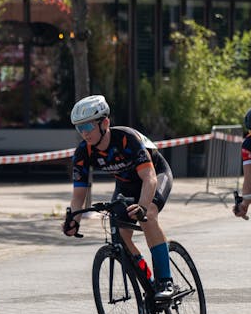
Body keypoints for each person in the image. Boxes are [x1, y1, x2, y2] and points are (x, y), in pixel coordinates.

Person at [63, 95, 177, 300]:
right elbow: (79, 194)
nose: (84, 133)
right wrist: (74, 220)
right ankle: (148, 281)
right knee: (121, 236)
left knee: (148, 216)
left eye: (88, 126)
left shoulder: (126, 138)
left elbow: (149, 179)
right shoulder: (83, 152)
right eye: (79, 128)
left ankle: (165, 280)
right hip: (126, 185)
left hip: (154, 175)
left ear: (104, 123)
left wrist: (142, 207)